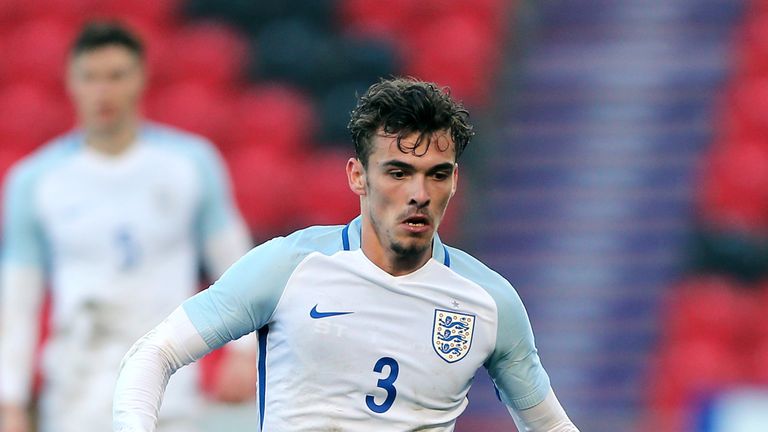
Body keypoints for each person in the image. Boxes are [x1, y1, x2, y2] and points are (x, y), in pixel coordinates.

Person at [112, 77, 580, 431]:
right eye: (398, 172)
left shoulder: (490, 301)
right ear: (358, 176)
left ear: (455, 180)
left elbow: (551, 426)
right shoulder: (289, 267)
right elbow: (154, 353)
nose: (419, 194)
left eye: (436, 174)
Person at [0, 22, 256, 432]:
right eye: (90, 77)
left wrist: (246, 350)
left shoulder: (190, 164)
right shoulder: (35, 181)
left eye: (117, 75)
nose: (103, 91)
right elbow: (18, 298)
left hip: (170, 388)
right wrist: (9, 399)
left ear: (141, 79)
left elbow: (235, 264)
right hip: (77, 393)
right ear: (71, 82)